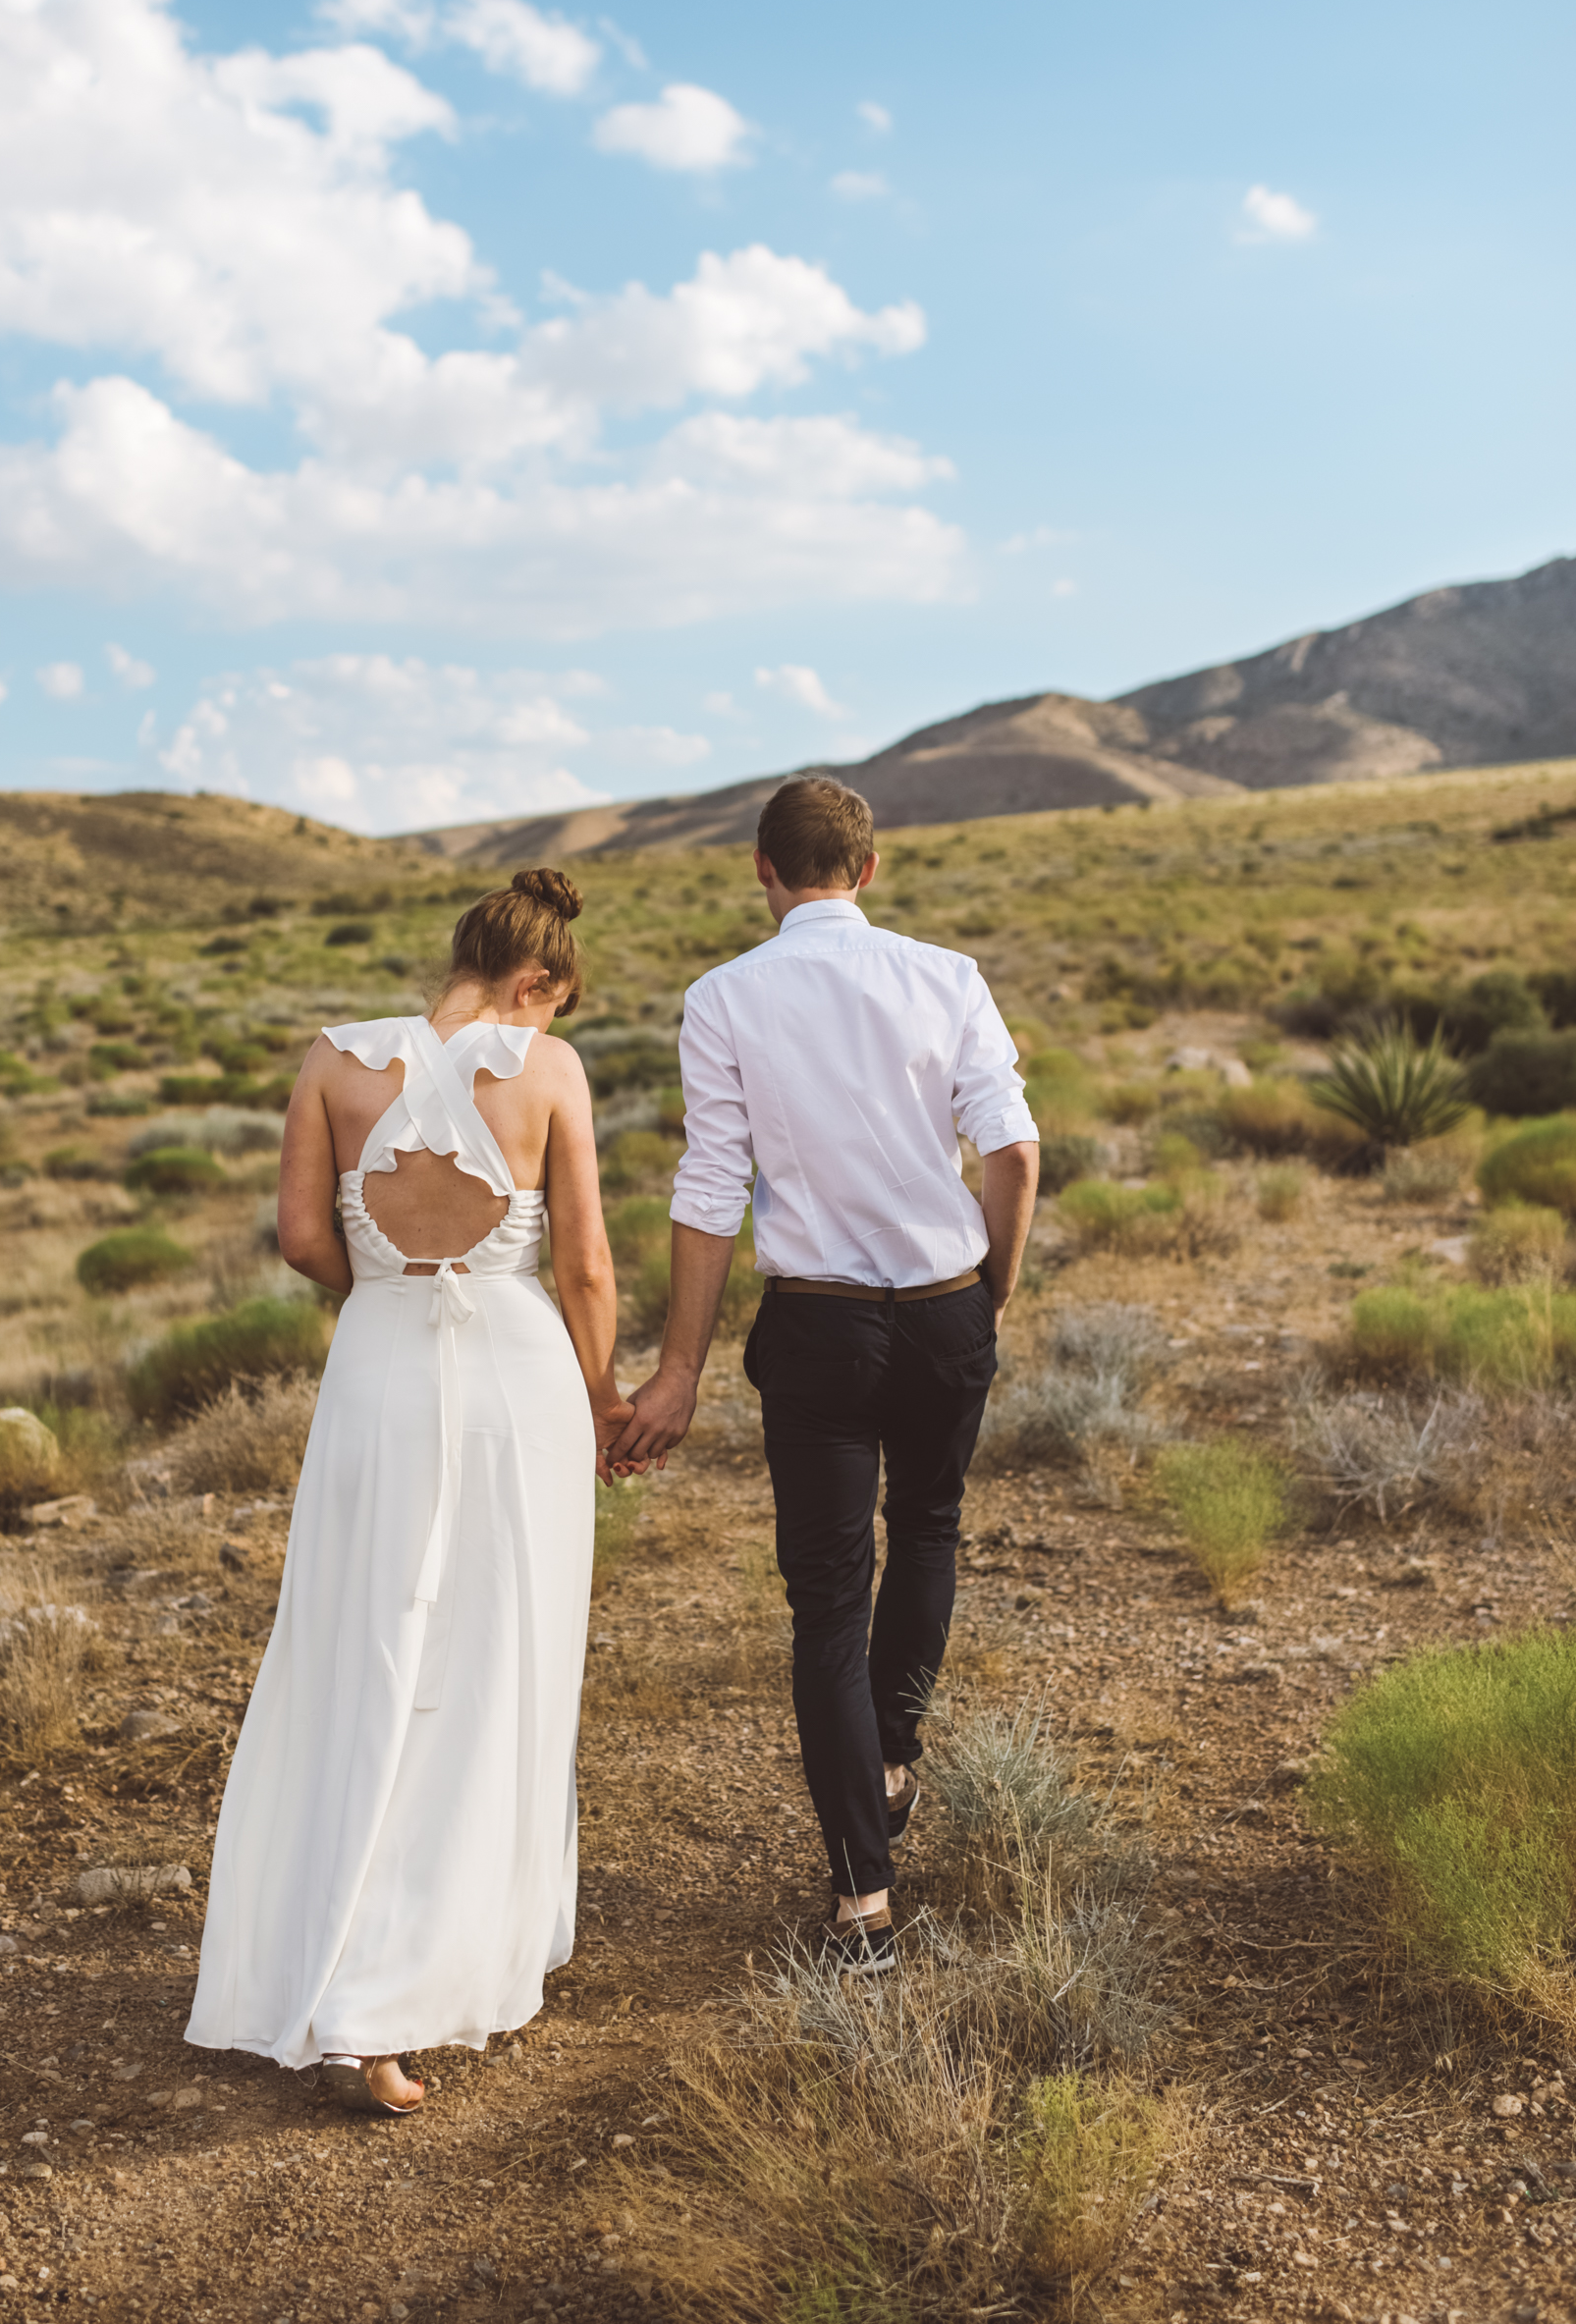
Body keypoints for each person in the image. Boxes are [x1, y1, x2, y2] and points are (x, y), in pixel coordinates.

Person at [186, 869, 629, 2114]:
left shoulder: (333, 1062)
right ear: (535, 982)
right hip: (515, 1380)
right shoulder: (551, 1072)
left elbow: (298, 1238)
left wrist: (386, 1290)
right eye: (551, 1003)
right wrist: (603, 1395)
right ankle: (414, 1976)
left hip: (376, 1367)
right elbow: (586, 1263)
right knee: (498, 1652)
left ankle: (342, 1966)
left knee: (360, 1643)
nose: (541, 1025)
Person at [611, 776, 1040, 1974]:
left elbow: (710, 1188)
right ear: (870, 865)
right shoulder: (946, 975)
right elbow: (1011, 1144)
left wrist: (679, 1369)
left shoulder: (723, 998)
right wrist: (990, 1285)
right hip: (947, 1307)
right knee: (935, 1526)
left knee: (829, 1603)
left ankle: (863, 1902)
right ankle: (893, 1753)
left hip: (819, 1331)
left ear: (763, 869)